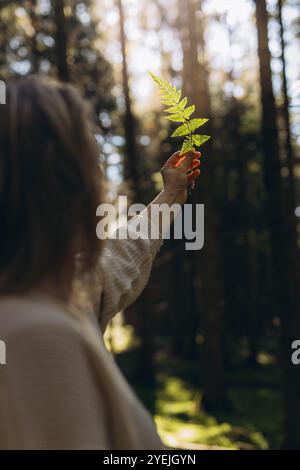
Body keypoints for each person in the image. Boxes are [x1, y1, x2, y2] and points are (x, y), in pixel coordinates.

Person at [0, 76, 201, 449]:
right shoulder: (34, 336)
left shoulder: (58, 291)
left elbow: (120, 257)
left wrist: (171, 195)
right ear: (63, 184)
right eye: (91, 160)